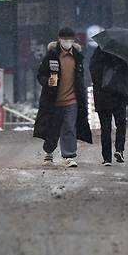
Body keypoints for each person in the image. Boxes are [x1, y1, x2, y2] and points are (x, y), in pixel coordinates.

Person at [33, 27, 92, 167]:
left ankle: (69, 155)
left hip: (72, 100)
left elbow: (80, 77)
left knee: (70, 128)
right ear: (59, 40)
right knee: (52, 129)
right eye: (65, 39)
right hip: (53, 100)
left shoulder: (77, 57)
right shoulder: (52, 55)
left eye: (70, 39)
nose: (67, 42)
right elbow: (40, 74)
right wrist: (47, 81)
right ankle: (48, 151)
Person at [90, 46, 128, 166]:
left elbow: (93, 74)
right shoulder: (121, 56)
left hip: (102, 97)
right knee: (121, 124)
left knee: (105, 128)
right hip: (118, 96)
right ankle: (119, 149)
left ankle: (107, 158)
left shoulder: (97, 55)